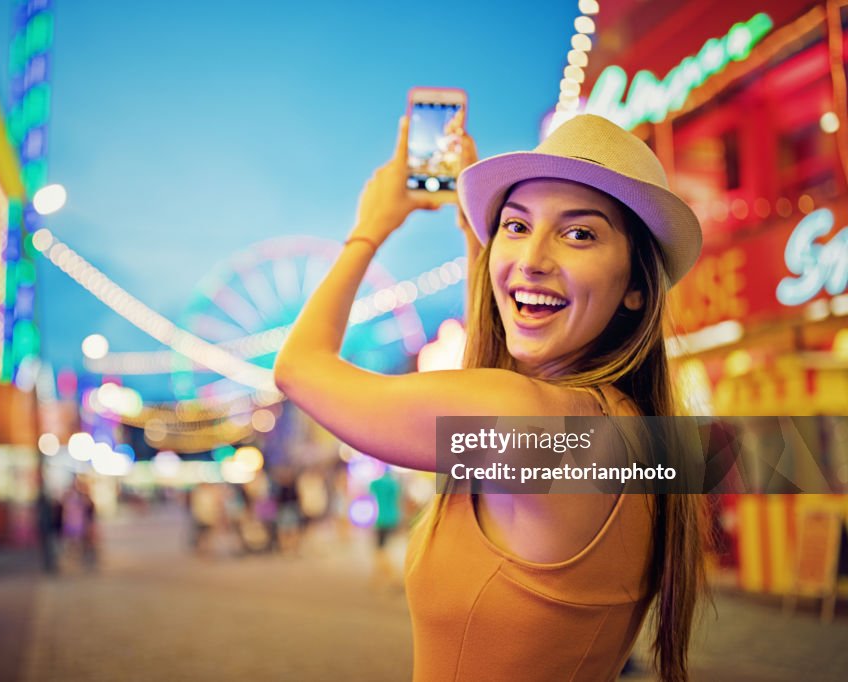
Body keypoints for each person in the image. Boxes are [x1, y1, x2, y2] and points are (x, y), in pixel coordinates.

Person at [274, 113, 708, 682]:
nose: (531, 260)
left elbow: (299, 367)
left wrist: (370, 229)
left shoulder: (529, 423)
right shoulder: (633, 431)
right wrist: (470, 229)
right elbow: (497, 348)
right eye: (516, 226)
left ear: (635, 286)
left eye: (580, 233)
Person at [368, 466, 403, 591]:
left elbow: (370, 491)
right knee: (381, 549)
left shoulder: (376, 483)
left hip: (380, 518)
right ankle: (377, 581)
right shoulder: (395, 484)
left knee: (380, 550)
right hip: (393, 517)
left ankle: (394, 578)